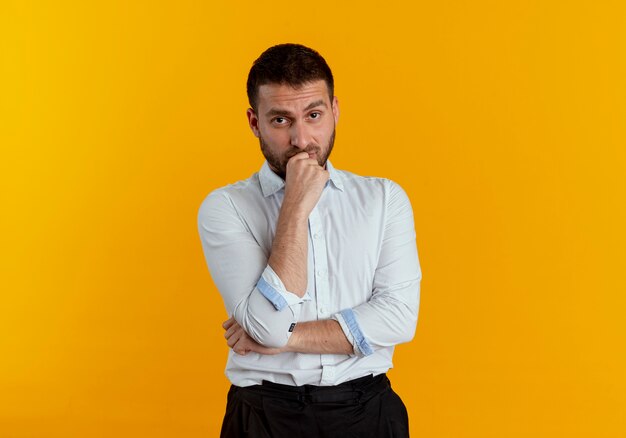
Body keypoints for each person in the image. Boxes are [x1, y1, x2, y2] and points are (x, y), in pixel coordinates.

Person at [197, 43, 422, 437]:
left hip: (368, 412)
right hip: (264, 416)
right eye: (281, 120)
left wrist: (286, 339)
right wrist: (296, 206)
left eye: (314, 115)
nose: (302, 139)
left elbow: (398, 319)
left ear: (334, 110)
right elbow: (268, 327)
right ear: (254, 123)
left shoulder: (384, 199)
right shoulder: (225, 207)